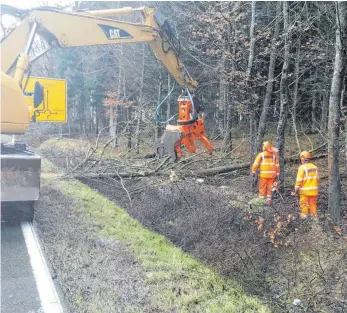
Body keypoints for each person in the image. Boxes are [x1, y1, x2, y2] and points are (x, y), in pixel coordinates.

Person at [291, 151, 319, 220]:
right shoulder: (315, 167)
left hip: (304, 192)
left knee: (304, 207)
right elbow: (317, 179)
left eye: (301, 158)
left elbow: (299, 181)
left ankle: (304, 222)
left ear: (303, 158)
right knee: (313, 206)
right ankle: (315, 222)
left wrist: (295, 190)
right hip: (314, 192)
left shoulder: (302, 168)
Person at [252, 141, 279, 205]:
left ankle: (261, 200)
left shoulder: (261, 155)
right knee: (270, 187)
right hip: (272, 175)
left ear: (264, 147)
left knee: (262, 187)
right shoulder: (274, 155)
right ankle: (269, 201)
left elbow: (256, 164)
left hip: (264, 175)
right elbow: (277, 165)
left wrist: (254, 171)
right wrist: (277, 174)